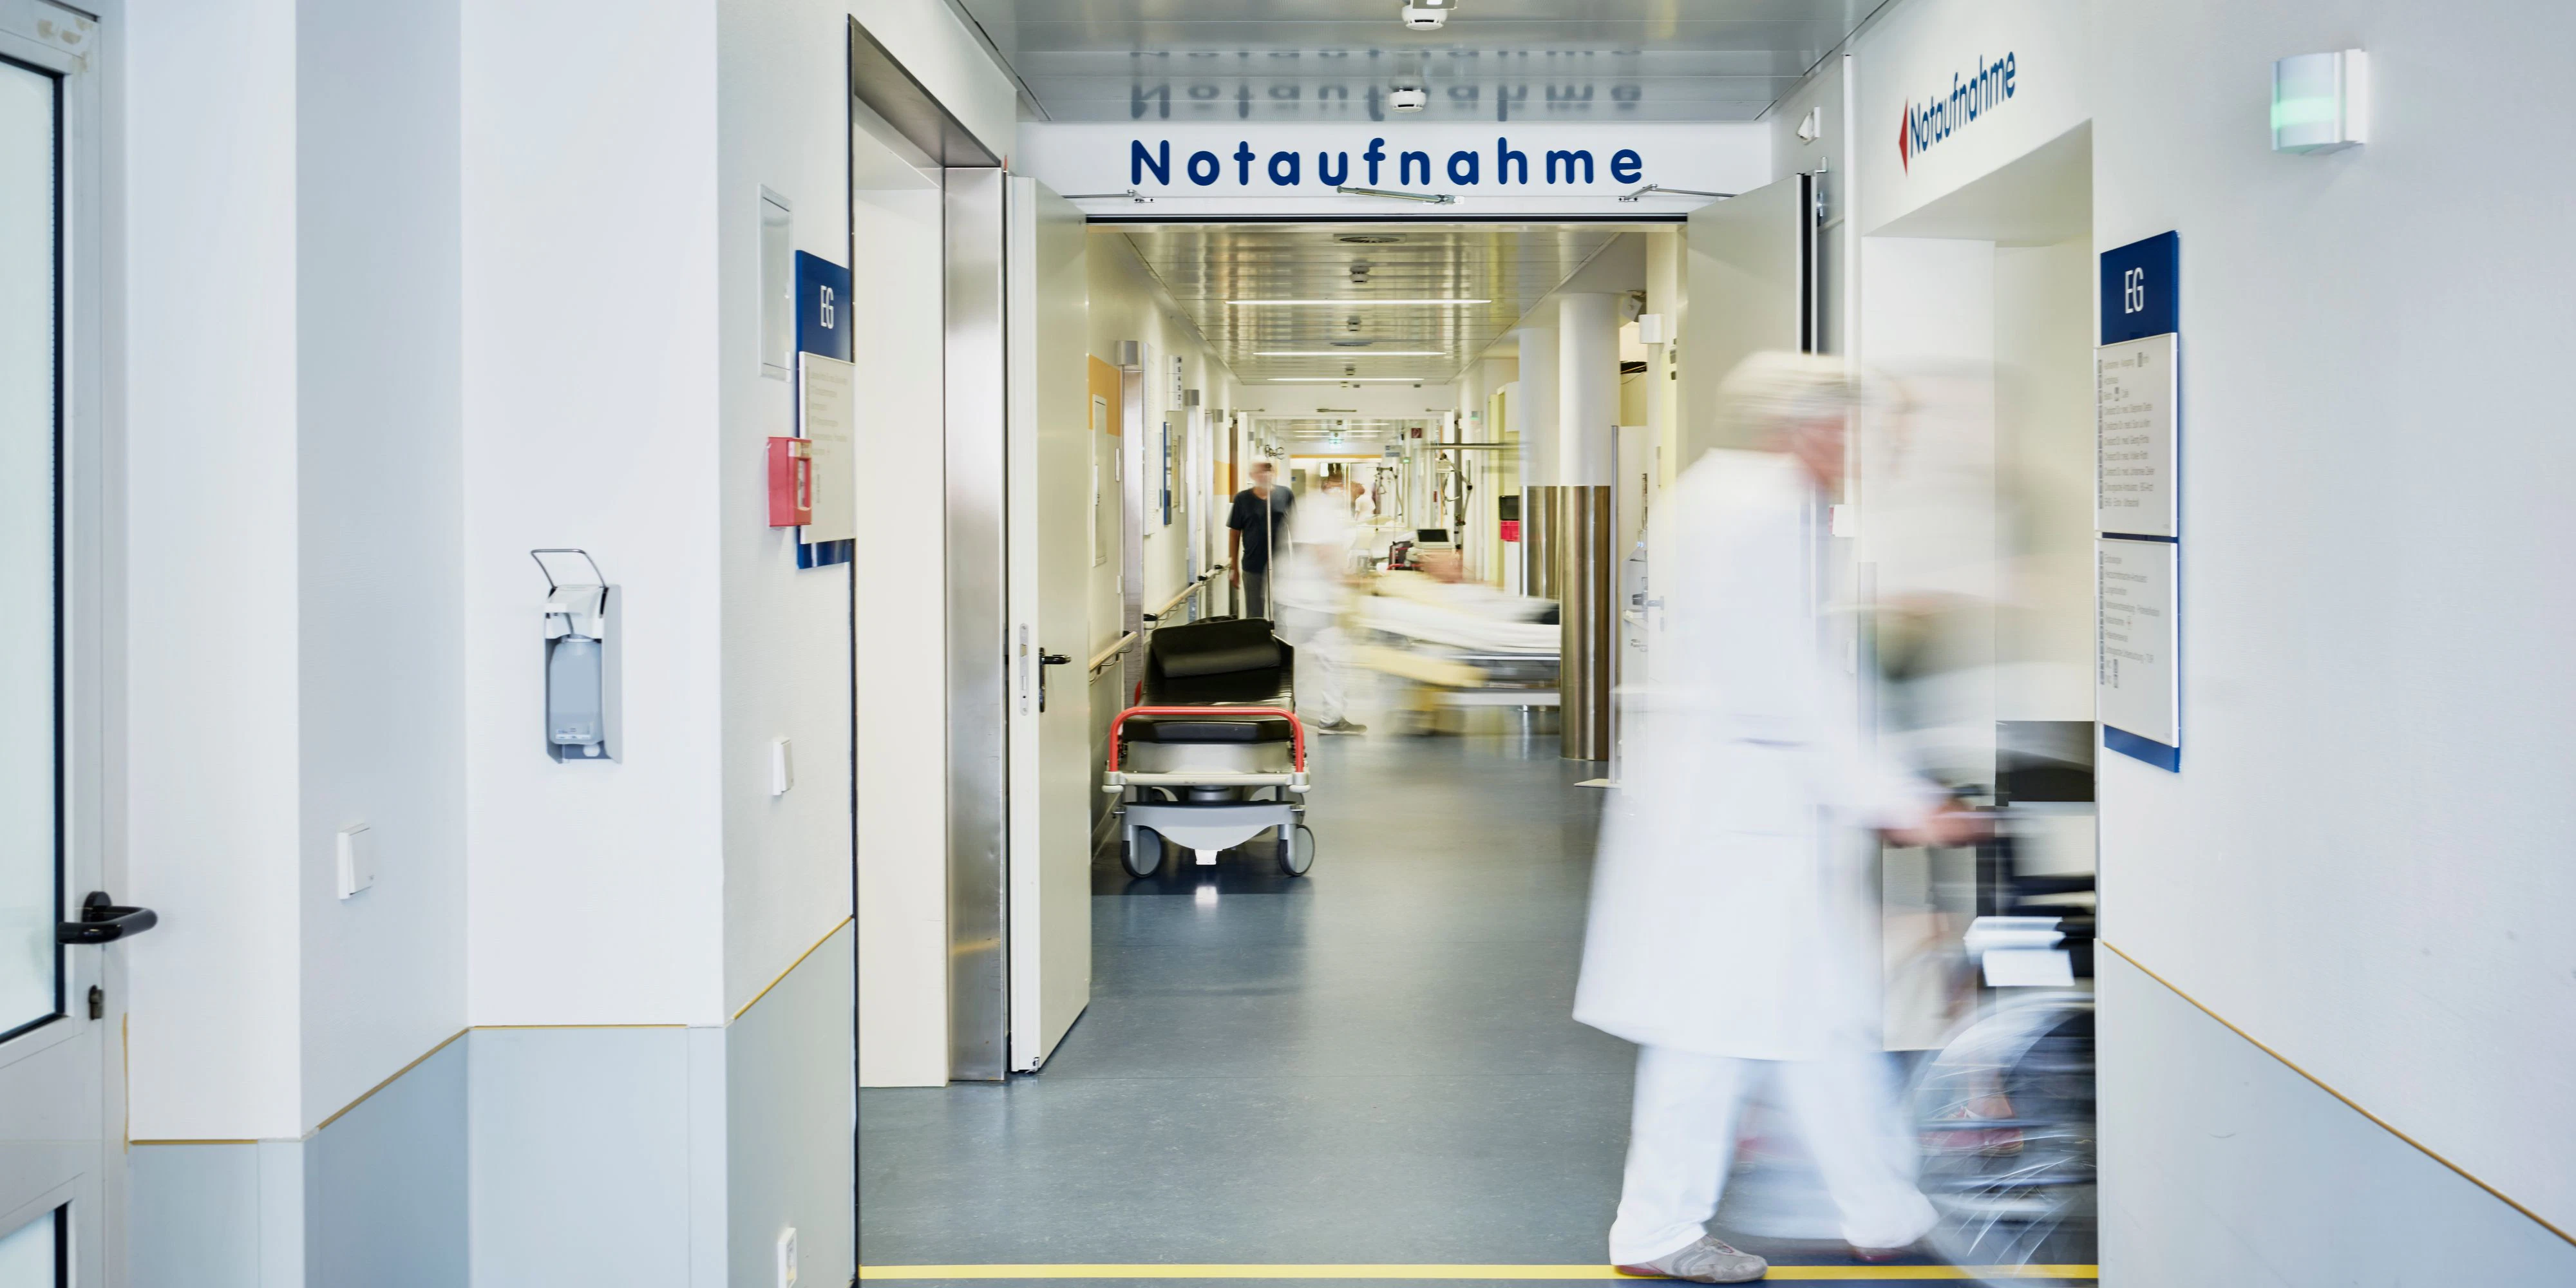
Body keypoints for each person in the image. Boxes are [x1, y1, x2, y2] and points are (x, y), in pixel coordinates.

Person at [1572, 353, 1982, 1283]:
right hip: (1742, 824)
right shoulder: (1767, 514)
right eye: (1862, 436)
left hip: (1742, 814)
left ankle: (1880, 1209)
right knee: (1718, 1035)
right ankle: (1655, 1232)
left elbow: (1790, 660)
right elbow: (1795, 679)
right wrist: (1903, 799)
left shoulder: (1719, 496)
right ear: (1817, 428)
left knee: (1817, 1021)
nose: (1865, 456)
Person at [1275, 477, 1363, 735]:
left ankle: (1287, 716)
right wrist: (1350, 579)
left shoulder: (1310, 505)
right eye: (1353, 489)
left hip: (1299, 598)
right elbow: (1324, 552)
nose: (1355, 493)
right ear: (1336, 488)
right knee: (1335, 659)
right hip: (1314, 601)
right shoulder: (1322, 510)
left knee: (1301, 664)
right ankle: (1329, 719)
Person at [1227, 460, 1293, 620]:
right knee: (1254, 615)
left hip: (1280, 564)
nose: (1265, 474)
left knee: (1279, 614)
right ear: (1252, 475)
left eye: (1269, 471)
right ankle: (1257, 644)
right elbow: (1234, 534)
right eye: (1261, 471)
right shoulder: (1242, 499)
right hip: (1252, 565)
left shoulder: (1285, 494)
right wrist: (1234, 568)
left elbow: (1295, 528)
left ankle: (1279, 644)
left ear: (1274, 473)